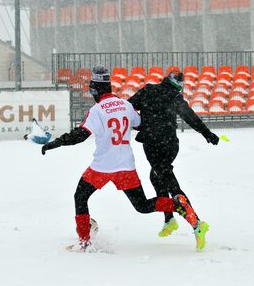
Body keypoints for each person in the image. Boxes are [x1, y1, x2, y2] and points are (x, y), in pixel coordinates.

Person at [41, 66, 202, 251]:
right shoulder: (125, 105)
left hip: (102, 167)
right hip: (126, 166)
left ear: (94, 89)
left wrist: (57, 143)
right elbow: (141, 124)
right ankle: (178, 205)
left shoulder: (97, 110)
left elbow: (80, 135)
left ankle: (84, 242)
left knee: (80, 196)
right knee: (142, 205)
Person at [128, 66, 219, 246]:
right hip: (170, 144)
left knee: (169, 183)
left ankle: (197, 223)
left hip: (153, 144)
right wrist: (206, 133)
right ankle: (169, 219)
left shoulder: (148, 90)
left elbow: (128, 107)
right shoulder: (175, 97)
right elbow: (190, 117)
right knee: (156, 177)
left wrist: (140, 122)